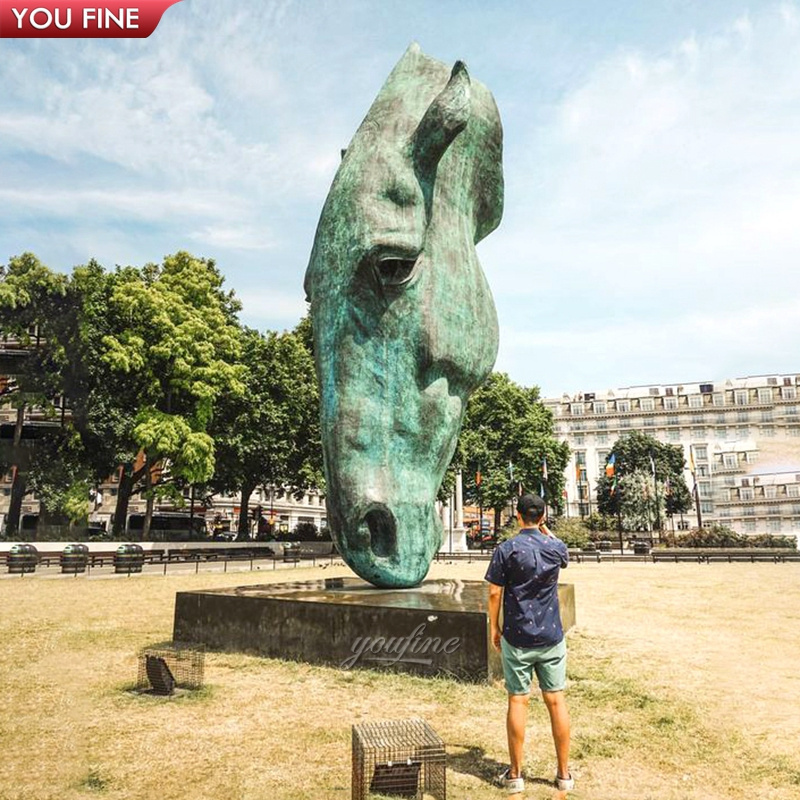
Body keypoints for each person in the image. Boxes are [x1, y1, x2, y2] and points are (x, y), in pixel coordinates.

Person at [485, 493, 573, 794]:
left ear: (518, 516)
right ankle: (563, 774)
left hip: (518, 636)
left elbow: (495, 593)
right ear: (544, 516)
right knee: (556, 701)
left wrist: (494, 627)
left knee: (517, 700)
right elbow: (562, 551)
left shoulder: (506, 549)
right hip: (551, 636)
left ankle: (516, 774)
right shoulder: (555, 548)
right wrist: (545, 530)